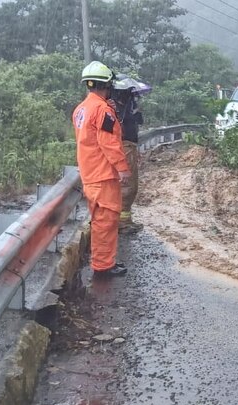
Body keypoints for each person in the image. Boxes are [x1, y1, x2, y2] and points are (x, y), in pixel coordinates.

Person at [72, 61, 130, 277]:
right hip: (103, 175)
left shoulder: (81, 109)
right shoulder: (102, 110)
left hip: (89, 173)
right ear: (107, 85)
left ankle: (102, 261)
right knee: (106, 221)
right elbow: (109, 143)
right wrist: (122, 168)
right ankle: (103, 265)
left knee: (99, 221)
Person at [111, 79, 144, 234]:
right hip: (125, 146)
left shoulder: (128, 106)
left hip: (130, 145)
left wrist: (136, 115)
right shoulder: (115, 107)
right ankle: (122, 223)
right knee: (128, 186)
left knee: (131, 185)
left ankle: (125, 220)